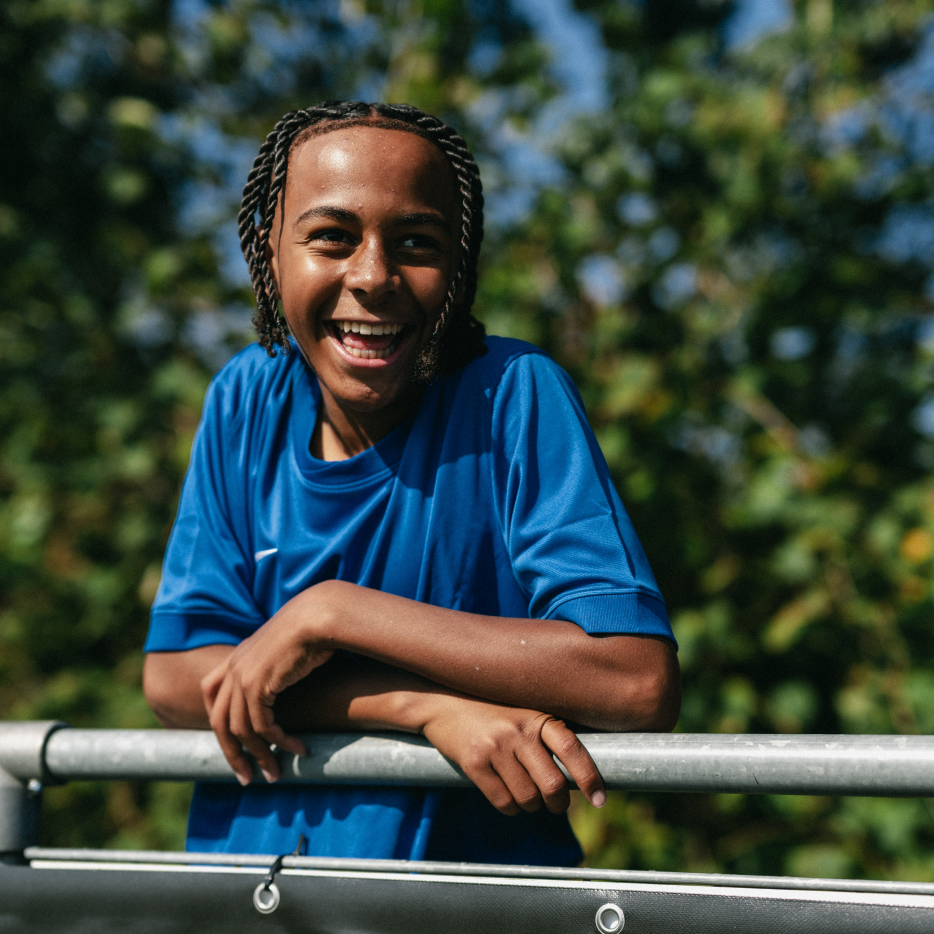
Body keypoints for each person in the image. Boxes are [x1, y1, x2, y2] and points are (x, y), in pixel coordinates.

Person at [142, 100, 680, 866]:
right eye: (332, 237)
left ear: (459, 265)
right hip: (256, 889)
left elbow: (634, 682)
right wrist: (419, 708)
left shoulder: (511, 394)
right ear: (269, 251)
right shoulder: (244, 399)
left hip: (460, 899)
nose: (373, 276)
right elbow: (174, 678)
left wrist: (333, 614)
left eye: (417, 243)